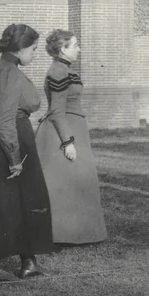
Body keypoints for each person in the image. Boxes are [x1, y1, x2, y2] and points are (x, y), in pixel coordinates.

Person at [0, 24, 53, 283]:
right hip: (10, 141)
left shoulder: (6, 68)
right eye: (34, 49)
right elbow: (5, 120)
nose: (35, 54)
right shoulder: (7, 73)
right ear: (21, 48)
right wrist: (14, 159)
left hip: (13, 138)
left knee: (20, 203)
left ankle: (28, 262)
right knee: (0, 206)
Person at [35, 29, 107, 245]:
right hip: (62, 132)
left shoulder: (65, 68)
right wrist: (67, 141)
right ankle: (61, 235)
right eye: (75, 45)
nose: (79, 49)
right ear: (63, 49)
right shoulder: (58, 71)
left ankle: (78, 233)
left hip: (74, 128)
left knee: (76, 182)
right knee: (61, 185)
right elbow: (57, 111)